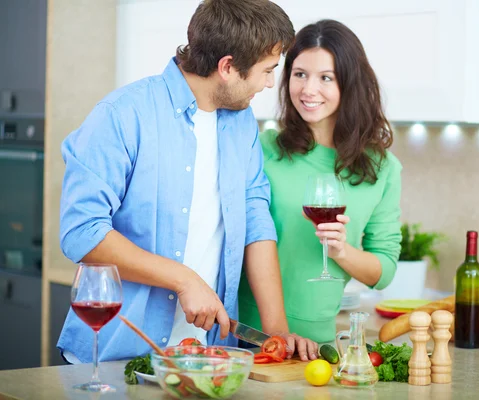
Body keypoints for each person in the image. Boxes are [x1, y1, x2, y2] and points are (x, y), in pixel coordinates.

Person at [57, 0, 318, 363]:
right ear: (227, 67)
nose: (271, 82)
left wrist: (276, 332)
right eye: (267, 70)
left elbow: (255, 216)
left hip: (209, 358)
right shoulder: (122, 115)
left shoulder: (241, 123)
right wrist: (184, 279)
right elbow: (82, 232)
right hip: (116, 357)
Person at [238, 19, 402, 343]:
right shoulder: (263, 148)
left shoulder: (382, 168)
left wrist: (342, 252)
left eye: (326, 78)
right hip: (249, 335)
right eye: (300, 74)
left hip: (318, 343)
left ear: (350, 84)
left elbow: (383, 270)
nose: (308, 90)